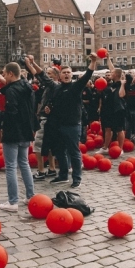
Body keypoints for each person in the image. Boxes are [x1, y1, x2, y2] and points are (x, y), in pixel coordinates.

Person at [37, 53, 99, 188]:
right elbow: (42, 76)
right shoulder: (56, 87)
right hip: (58, 125)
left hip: (72, 125)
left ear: (72, 75)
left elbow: (88, 74)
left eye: (68, 73)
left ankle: (77, 178)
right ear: (60, 76)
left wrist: (93, 61)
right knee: (59, 151)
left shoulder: (76, 87)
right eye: (64, 72)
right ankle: (63, 175)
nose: (66, 74)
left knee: (74, 152)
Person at [0, 60, 35, 211]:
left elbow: (11, 113)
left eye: (5, 74)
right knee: (24, 164)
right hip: (26, 131)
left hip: (14, 131)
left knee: (11, 166)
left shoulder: (12, 91)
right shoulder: (28, 86)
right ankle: (30, 196)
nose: (4, 77)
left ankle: (13, 201)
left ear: (11, 74)